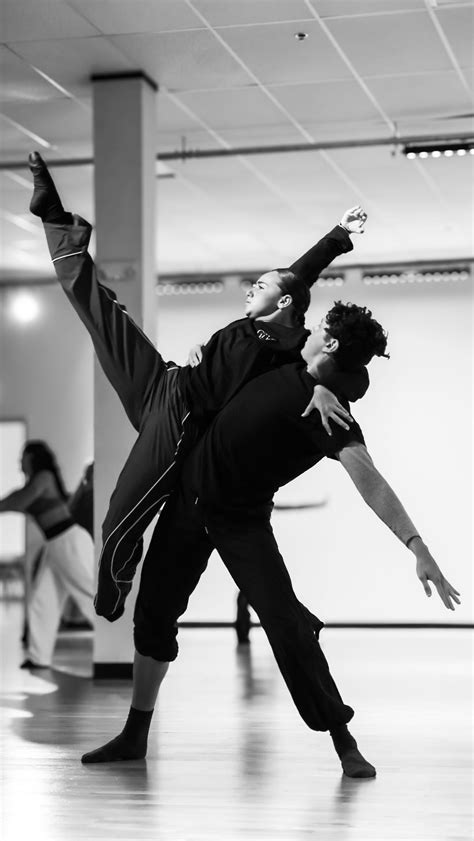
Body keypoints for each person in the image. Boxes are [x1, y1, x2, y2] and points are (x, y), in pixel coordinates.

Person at [79, 303, 460, 778]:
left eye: (318, 328)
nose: (307, 330)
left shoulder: (330, 411)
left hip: (241, 521)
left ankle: (344, 741)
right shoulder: (286, 360)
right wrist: (201, 350)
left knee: (285, 624)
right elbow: (241, 351)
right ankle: (135, 734)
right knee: (153, 616)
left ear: (331, 344)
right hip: (189, 503)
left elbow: (370, 480)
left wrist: (417, 546)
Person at [28, 152, 368, 623]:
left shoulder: (292, 348)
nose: (251, 288)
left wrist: (323, 390)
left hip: (178, 423)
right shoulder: (255, 322)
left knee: (119, 518)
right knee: (102, 313)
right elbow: (300, 273)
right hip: (163, 380)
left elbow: (345, 369)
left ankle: (109, 600)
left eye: (261, 285)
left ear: (285, 301)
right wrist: (340, 233)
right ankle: (54, 219)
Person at [0, 441, 95, 668]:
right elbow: (14, 501)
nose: (19, 462)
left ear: (32, 458)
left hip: (69, 541)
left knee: (90, 595)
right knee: (43, 601)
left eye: (23, 457)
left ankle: (125, 647)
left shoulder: (43, 478)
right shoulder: (35, 482)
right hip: (55, 544)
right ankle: (38, 657)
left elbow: (19, 501)